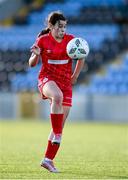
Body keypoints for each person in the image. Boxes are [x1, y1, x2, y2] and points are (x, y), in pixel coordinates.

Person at [28, 11, 85, 173]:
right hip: (47, 79)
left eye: (65, 27)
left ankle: (48, 159)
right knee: (57, 96)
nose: (63, 30)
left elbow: (82, 57)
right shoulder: (42, 40)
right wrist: (36, 56)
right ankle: (58, 135)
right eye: (60, 27)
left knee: (59, 126)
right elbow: (31, 64)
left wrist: (74, 76)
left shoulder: (71, 41)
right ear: (51, 26)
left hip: (66, 82)